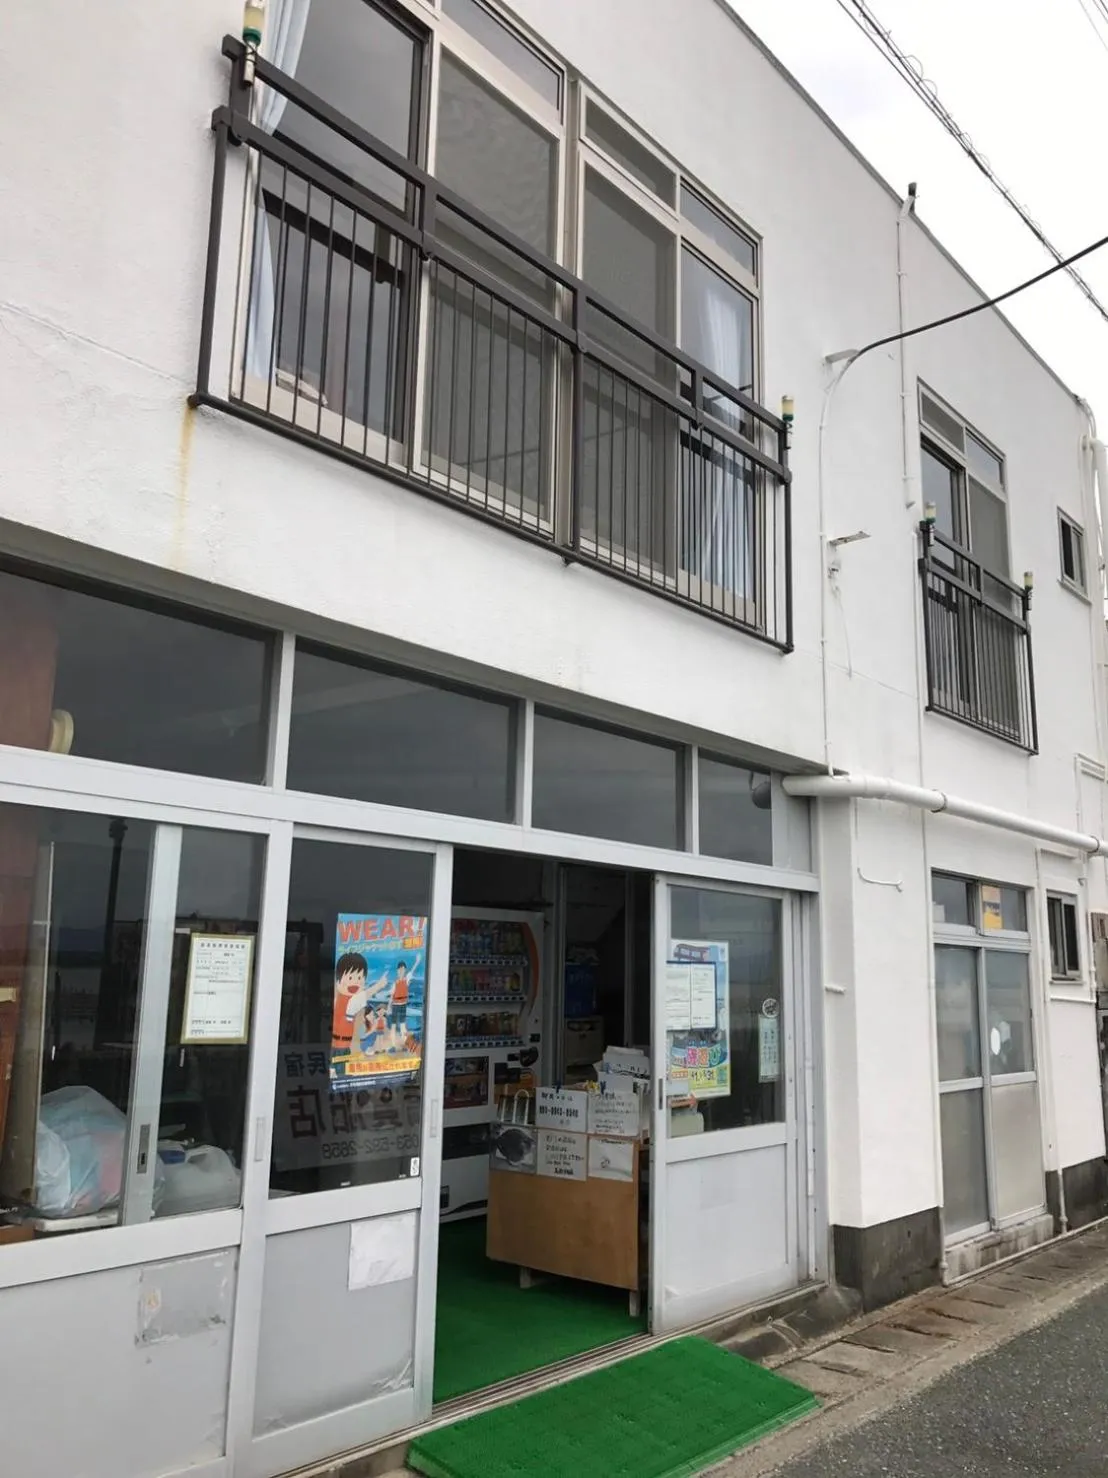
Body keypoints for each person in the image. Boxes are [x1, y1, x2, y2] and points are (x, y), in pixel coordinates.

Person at [332, 952, 369, 1061]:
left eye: (359, 977)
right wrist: (379, 985)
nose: (355, 982)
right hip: (339, 1046)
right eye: (350, 977)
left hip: (346, 1045)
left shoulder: (352, 1000)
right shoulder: (344, 999)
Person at [389, 960, 411, 1050]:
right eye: (400, 969)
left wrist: (418, 961)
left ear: (405, 970)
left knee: (403, 1026)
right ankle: (393, 1045)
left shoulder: (407, 979)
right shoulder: (395, 982)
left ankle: (404, 1044)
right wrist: (388, 1007)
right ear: (397, 970)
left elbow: (412, 970)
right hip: (395, 1005)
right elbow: (391, 995)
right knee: (393, 1026)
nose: (401, 970)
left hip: (403, 1005)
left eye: (403, 969)